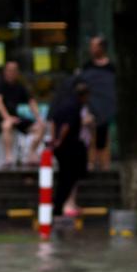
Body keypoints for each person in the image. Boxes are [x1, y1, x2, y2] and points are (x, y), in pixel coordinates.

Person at [46, 80, 91, 218]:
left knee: (65, 177)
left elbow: (53, 122)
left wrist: (54, 139)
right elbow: (66, 126)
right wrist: (59, 140)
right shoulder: (75, 106)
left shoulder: (61, 104)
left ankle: (59, 205)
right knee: (68, 177)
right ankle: (58, 206)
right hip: (69, 146)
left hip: (63, 146)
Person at [0, 60, 44, 167]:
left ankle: (31, 154)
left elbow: (31, 101)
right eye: (9, 70)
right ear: (4, 71)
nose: (12, 73)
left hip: (15, 118)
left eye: (14, 70)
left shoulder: (19, 86)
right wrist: (7, 117)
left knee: (40, 127)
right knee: (7, 125)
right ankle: (8, 157)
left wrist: (38, 118)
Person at [78, 36, 116, 171]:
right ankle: (90, 162)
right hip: (90, 107)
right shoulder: (87, 67)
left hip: (106, 108)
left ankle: (104, 164)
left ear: (102, 48)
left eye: (94, 46)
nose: (91, 49)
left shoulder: (112, 67)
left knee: (104, 136)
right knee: (90, 134)